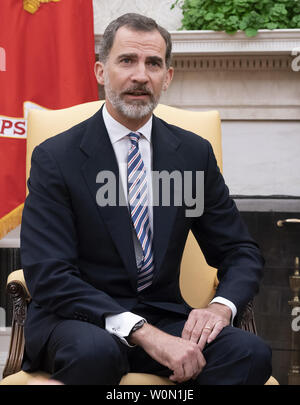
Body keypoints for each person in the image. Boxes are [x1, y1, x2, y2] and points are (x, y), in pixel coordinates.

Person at [21, 13, 272, 385]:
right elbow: (50, 275)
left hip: (164, 314)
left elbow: (239, 251)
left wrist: (221, 307)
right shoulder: (56, 158)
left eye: (153, 63)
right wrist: (143, 333)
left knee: (250, 354)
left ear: (167, 77)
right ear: (100, 72)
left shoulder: (191, 155)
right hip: (79, 320)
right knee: (96, 355)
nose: (141, 76)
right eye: (126, 61)